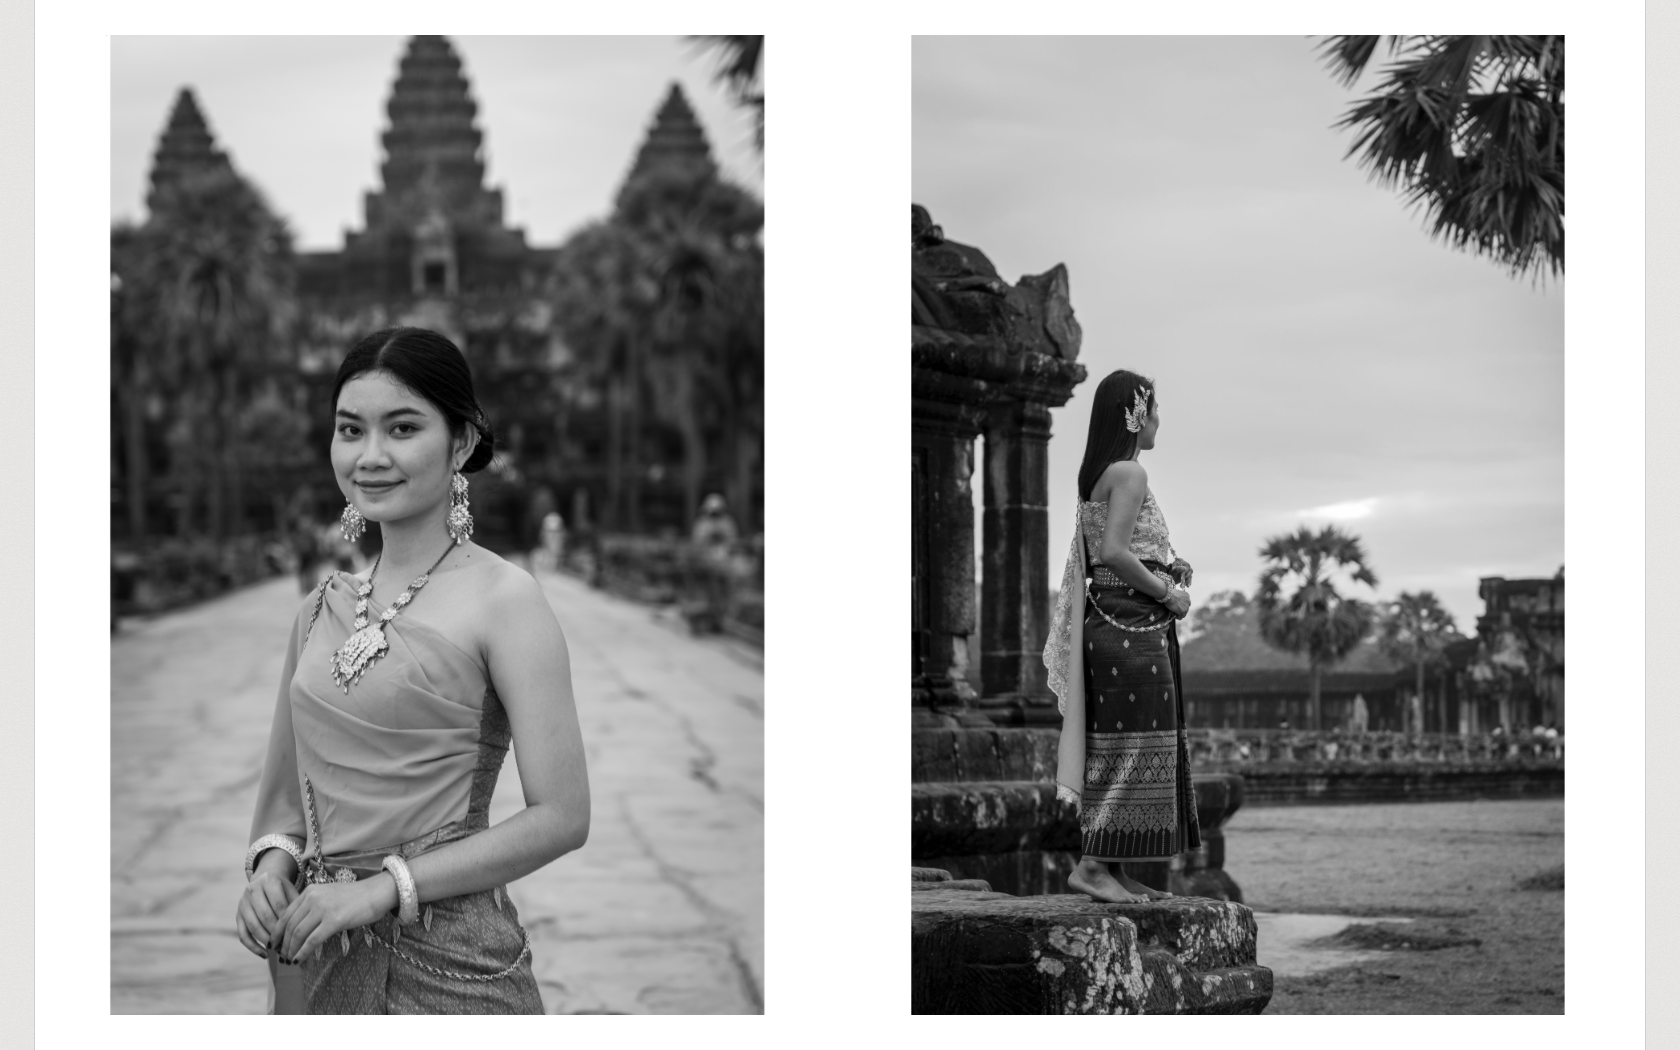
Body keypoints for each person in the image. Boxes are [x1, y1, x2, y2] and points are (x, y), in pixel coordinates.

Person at [236, 327, 590, 1014]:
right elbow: (286, 804)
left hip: (453, 964)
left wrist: (380, 888)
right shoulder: (318, 612)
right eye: (350, 430)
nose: (370, 456)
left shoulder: (504, 599)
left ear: (460, 442)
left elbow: (563, 815)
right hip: (316, 954)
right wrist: (270, 871)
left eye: (402, 428)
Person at [1043, 369, 1199, 904]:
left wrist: (1167, 566)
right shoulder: (1130, 472)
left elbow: (1120, 547)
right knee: (1133, 746)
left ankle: (1115, 866)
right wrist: (1167, 591)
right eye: (1153, 410)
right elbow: (1112, 551)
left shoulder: (1098, 473)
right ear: (1134, 414)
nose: (1158, 421)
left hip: (1114, 622)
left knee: (1125, 743)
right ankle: (1091, 866)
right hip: (1128, 624)